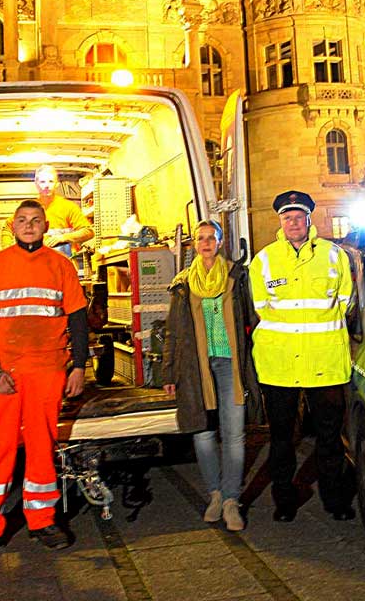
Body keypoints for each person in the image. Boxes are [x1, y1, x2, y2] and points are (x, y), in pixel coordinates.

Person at [0, 199, 90, 556]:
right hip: (7, 375)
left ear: (46, 226)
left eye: (35, 220)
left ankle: (42, 520)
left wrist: (78, 367)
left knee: (43, 446)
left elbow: (77, 319)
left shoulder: (62, 265)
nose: (29, 226)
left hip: (48, 371)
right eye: (22, 220)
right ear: (12, 227)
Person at [248, 190, 355, 523]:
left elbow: (346, 302)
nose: (293, 223)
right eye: (287, 218)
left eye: (298, 217)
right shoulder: (263, 260)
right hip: (279, 364)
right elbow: (260, 309)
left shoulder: (335, 256)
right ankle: (284, 500)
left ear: (309, 219)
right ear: (280, 221)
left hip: (324, 362)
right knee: (281, 440)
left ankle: (334, 500)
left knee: (329, 439)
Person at [162, 219, 262, 531]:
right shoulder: (183, 283)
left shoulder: (237, 276)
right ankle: (215, 495)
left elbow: (255, 318)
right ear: (193, 245)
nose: (205, 243)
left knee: (234, 435)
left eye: (211, 238)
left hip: (231, 364)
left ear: (220, 242)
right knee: (202, 433)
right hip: (196, 367)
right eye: (200, 238)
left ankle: (232, 499)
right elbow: (173, 332)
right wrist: (168, 372)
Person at [31, 165, 93, 256]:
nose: (47, 186)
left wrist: (63, 238)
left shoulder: (68, 207)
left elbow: (88, 231)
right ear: (36, 184)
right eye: (42, 182)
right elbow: (10, 230)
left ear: (57, 184)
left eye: (51, 181)